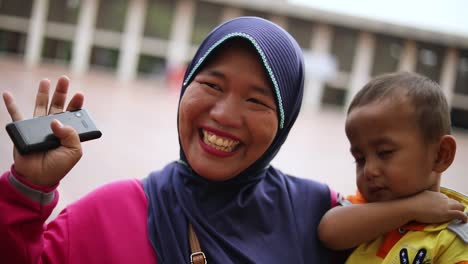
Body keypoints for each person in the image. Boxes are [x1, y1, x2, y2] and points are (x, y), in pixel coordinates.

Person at [1, 17, 465, 264]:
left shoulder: (322, 215)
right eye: (212, 85)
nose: (224, 115)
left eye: (258, 101)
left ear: (284, 121)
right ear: (184, 91)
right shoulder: (109, 214)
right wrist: (25, 191)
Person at [318, 72, 468, 263]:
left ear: (441, 155)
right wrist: (411, 208)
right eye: (360, 159)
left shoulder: (454, 231)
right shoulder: (367, 210)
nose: (369, 170)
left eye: (385, 153)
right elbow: (329, 231)